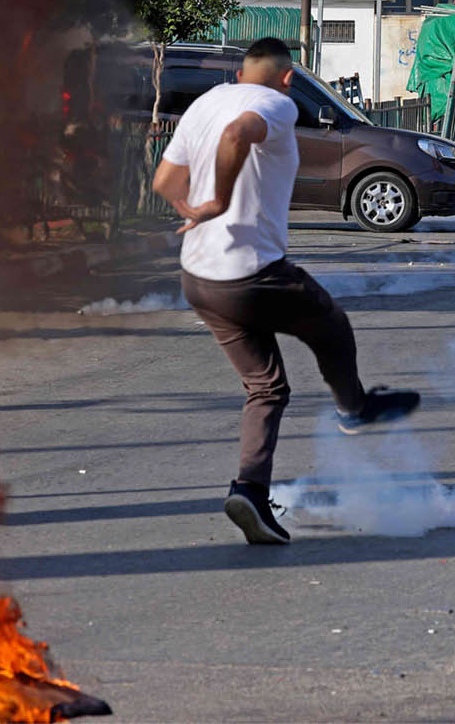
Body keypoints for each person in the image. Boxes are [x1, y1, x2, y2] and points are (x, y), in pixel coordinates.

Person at [153, 38, 420, 545]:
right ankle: (354, 409)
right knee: (332, 323)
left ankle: (249, 492)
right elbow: (238, 134)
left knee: (267, 387)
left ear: (240, 73)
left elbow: (165, 179)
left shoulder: (206, 102)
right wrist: (218, 202)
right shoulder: (274, 103)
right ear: (287, 77)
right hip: (254, 274)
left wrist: (191, 211)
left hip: (199, 279)